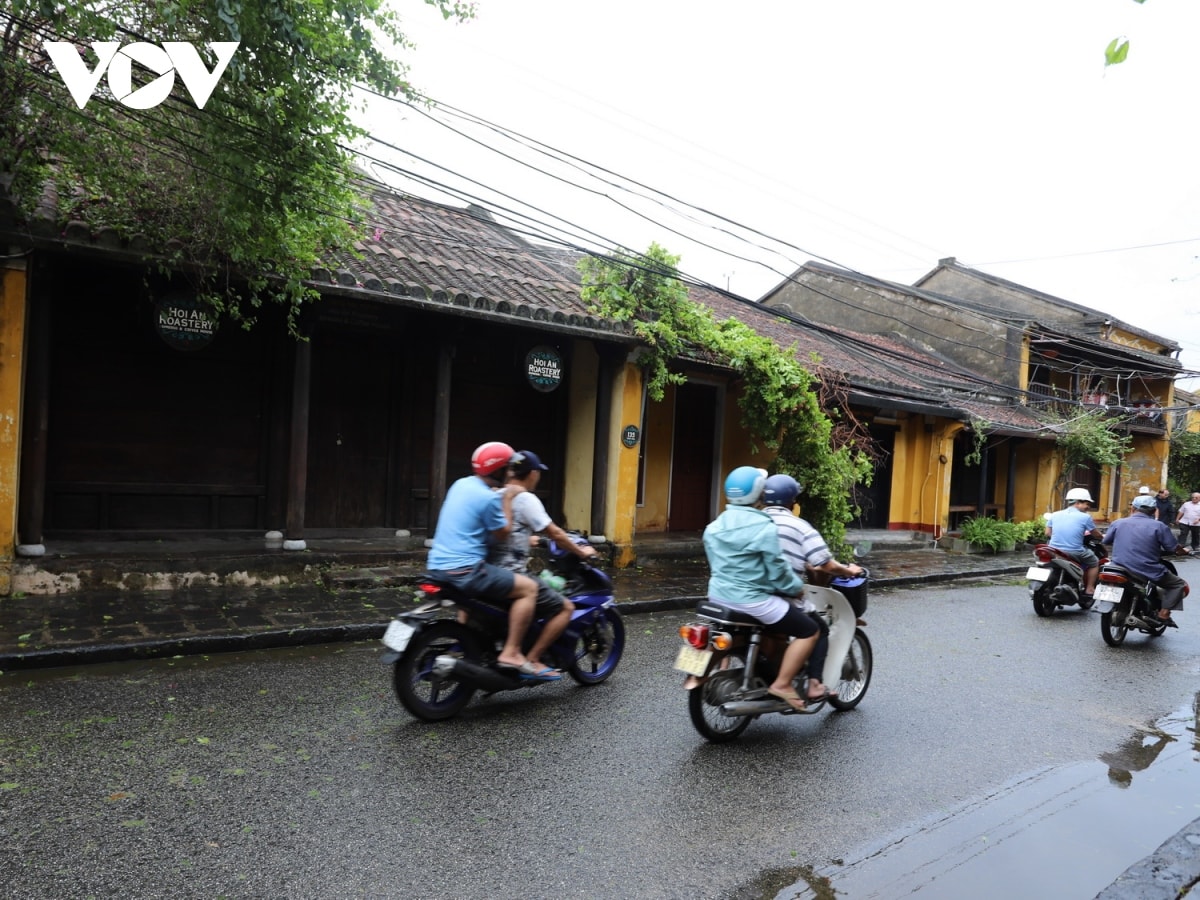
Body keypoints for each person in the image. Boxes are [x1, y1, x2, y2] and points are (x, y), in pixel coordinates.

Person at [425, 440, 551, 680]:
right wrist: (506, 498)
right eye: (509, 468)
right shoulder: (490, 498)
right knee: (529, 589)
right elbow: (503, 533)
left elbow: (476, 529)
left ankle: (467, 642)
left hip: (437, 566)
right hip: (465, 570)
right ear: (500, 470)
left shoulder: (460, 485)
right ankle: (511, 652)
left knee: (473, 601)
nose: (511, 473)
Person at [702, 466, 822, 712]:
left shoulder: (714, 526)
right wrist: (795, 588)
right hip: (752, 601)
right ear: (758, 494)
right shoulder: (762, 526)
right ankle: (782, 683)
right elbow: (777, 570)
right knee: (809, 630)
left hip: (717, 597)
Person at [488, 449, 597, 677]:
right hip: (510, 573)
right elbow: (555, 533)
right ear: (533, 473)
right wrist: (582, 552)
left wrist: (527, 538)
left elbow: (503, 530)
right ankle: (533, 659)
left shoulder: (496, 494)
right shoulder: (525, 498)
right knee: (565, 607)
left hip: (486, 570)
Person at [761, 473, 864, 702]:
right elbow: (825, 564)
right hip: (777, 597)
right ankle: (814, 684)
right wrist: (849, 570)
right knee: (818, 630)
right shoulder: (798, 526)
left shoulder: (754, 520)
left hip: (744, 592)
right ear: (792, 502)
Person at [1103, 494, 1190, 627]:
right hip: (1145, 569)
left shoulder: (1118, 522)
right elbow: (1173, 547)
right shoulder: (1159, 526)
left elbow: (1106, 541)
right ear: (1154, 511)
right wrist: (1184, 551)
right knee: (1178, 584)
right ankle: (1164, 613)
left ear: (1133, 509)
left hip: (1117, 567)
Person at [1045, 487, 1100, 599]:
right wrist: (1103, 537)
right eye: (1086, 503)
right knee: (1095, 562)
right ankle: (1089, 588)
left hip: (1053, 550)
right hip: (1074, 551)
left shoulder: (1055, 514)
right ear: (1077, 503)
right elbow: (1095, 534)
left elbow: (1047, 533)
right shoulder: (1085, 517)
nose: (1088, 507)